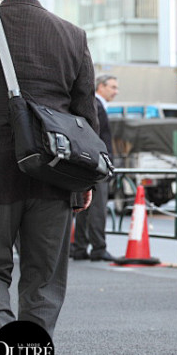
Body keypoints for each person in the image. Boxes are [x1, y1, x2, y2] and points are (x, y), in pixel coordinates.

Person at [0, 0, 96, 355]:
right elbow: (85, 119)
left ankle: (5, 354)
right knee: (44, 283)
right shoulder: (72, 36)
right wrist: (83, 184)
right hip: (53, 178)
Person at [70, 75, 118, 262]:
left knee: (85, 206)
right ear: (101, 86)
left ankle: (80, 247)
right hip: (98, 163)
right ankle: (98, 248)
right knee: (98, 207)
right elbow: (99, 137)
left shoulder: (93, 105)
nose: (116, 91)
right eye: (113, 87)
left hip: (87, 161)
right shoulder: (97, 106)